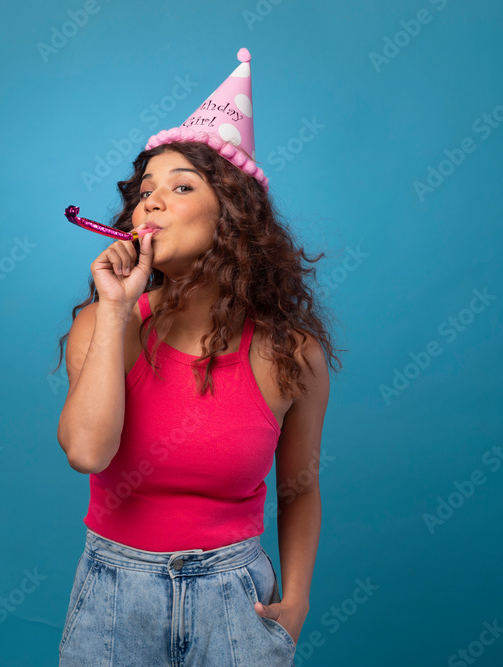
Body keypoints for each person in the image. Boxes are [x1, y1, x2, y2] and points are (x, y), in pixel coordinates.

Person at [53, 49, 341, 666]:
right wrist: (114, 309)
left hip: (236, 604)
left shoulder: (292, 354)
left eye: (181, 186)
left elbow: (299, 489)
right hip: (112, 597)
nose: (152, 201)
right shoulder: (104, 325)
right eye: (145, 190)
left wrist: (299, 602)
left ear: (233, 217)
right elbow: (86, 451)